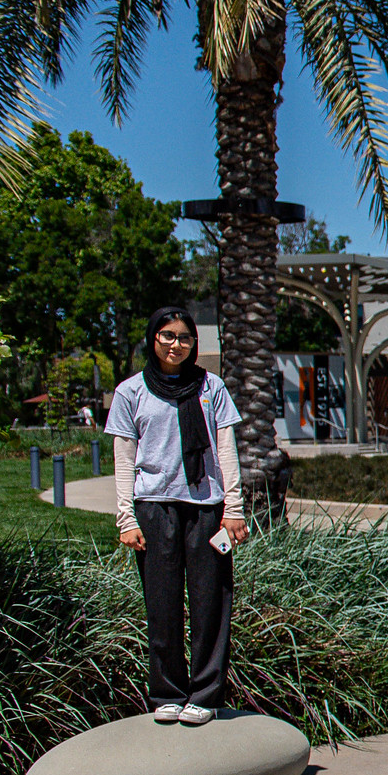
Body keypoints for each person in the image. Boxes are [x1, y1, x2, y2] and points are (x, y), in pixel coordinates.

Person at [106, 306, 246, 725]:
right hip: (154, 509)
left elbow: (226, 450)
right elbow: (124, 460)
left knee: (211, 604)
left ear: (193, 344)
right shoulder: (130, 392)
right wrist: (125, 519)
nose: (176, 344)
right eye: (167, 336)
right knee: (161, 605)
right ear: (153, 339)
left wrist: (233, 509)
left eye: (184, 337)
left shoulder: (212, 386)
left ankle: (205, 695)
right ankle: (166, 692)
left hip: (207, 509)